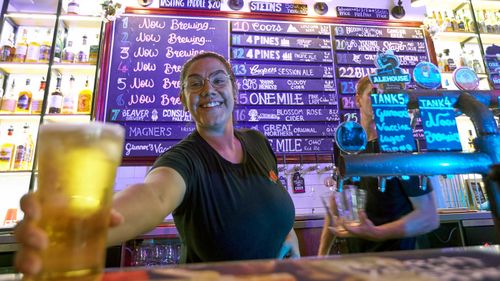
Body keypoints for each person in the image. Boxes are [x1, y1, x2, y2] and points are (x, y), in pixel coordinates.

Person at [15, 52, 299, 275]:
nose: (208, 89)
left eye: (218, 79)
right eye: (195, 83)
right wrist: (83, 225)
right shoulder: (184, 159)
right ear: (183, 99)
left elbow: (274, 205)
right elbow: (155, 195)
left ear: (233, 90)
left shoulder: (257, 142)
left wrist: (289, 237)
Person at [318, 76, 439, 255]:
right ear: (357, 99)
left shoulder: (399, 145)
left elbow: (428, 216)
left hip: (396, 261)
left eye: (384, 95)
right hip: (357, 260)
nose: (378, 101)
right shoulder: (346, 143)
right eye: (373, 94)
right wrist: (322, 254)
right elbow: (338, 198)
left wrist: (376, 233)